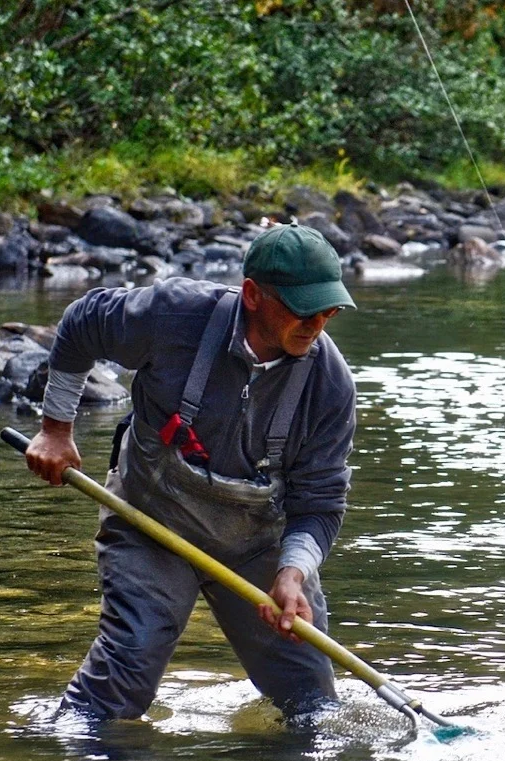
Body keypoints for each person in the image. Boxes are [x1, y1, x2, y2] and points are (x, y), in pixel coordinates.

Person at [24, 223, 357, 720]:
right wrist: (55, 429)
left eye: (328, 310)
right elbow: (81, 323)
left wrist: (293, 573)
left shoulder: (331, 384)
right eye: (303, 309)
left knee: (312, 701)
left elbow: (321, 503)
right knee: (123, 673)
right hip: (149, 524)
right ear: (251, 295)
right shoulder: (173, 315)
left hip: (258, 546)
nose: (317, 324)